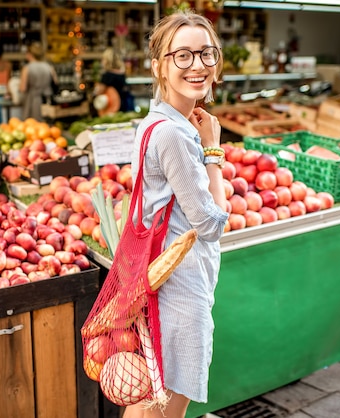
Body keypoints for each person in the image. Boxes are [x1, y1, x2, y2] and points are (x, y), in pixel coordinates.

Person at [125, 10, 228, 418]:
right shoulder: (174, 133)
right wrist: (214, 150)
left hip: (160, 283)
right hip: (179, 292)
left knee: (149, 399)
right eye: (182, 55)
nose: (197, 65)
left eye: (206, 53)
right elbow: (212, 223)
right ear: (159, 66)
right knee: (164, 408)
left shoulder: (155, 124)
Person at [19, 41, 58, 121]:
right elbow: (56, 83)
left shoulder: (27, 68)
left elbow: (23, 88)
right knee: (47, 125)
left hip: (33, 101)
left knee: (33, 125)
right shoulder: (49, 67)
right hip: (47, 100)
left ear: (30, 54)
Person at [93, 48, 132, 114]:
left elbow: (100, 91)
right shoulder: (121, 74)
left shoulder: (107, 75)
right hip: (122, 105)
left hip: (111, 107)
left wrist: (95, 91)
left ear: (107, 61)